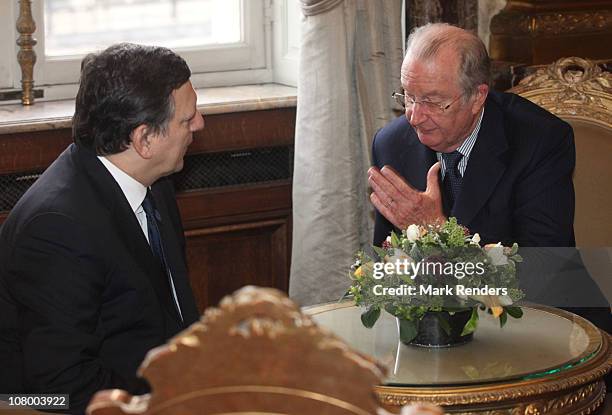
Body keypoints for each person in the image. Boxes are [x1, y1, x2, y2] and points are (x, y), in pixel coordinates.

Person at [0, 43, 205, 413]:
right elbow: (59, 388)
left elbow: (173, 314)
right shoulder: (56, 229)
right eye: (186, 120)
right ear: (144, 139)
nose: (200, 124)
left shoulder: (154, 182)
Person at [368, 23, 610, 331]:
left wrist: (436, 231)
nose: (414, 116)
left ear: (477, 97)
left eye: (432, 101)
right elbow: (387, 265)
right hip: (439, 331)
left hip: (545, 325)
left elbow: (541, 273)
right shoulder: (391, 144)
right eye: (409, 96)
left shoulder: (539, 140)